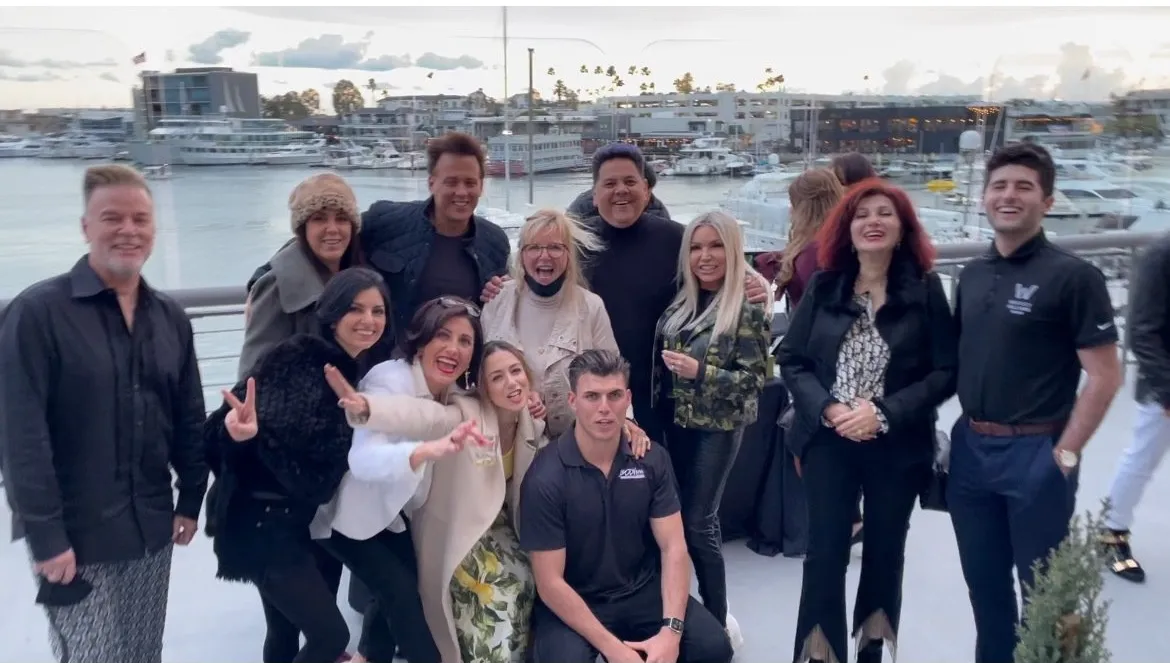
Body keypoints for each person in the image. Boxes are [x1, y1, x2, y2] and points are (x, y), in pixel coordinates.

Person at [0, 164, 208, 663]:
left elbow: (187, 415)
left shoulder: (170, 318)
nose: (128, 230)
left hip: (151, 525)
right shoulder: (37, 314)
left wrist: (190, 497)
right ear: (85, 227)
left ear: (154, 229)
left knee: (143, 651)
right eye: (112, 218)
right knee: (92, 656)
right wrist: (47, 538)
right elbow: (21, 437)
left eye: (140, 219)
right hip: (76, 536)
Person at [949, 143, 1122, 663]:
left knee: (1046, 599)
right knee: (985, 592)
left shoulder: (1074, 278)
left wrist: (1064, 455)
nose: (1009, 196)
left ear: (1047, 201)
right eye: (999, 186)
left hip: (1038, 454)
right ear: (984, 197)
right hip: (971, 452)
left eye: (1024, 186)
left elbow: (1105, 376)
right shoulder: (971, 275)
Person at [777, 178, 957, 663]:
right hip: (828, 440)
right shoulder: (825, 285)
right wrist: (828, 408)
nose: (872, 222)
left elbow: (946, 372)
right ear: (847, 228)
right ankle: (819, 655)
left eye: (884, 214)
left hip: (897, 444)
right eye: (861, 215)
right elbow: (792, 359)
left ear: (902, 229)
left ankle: (873, 651)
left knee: (884, 552)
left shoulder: (926, 289)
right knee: (824, 554)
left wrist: (884, 412)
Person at [205, 267, 391, 663]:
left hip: (299, 523)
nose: (369, 320)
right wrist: (241, 434)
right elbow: (219, 431)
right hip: (260, 523)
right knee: (331, 636)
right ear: (332, 314)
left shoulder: (357, 372)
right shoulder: (297, 357)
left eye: (378, 311)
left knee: (284, 631)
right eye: (356, 309)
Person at [520, 349, 734, 663]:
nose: (604, 408)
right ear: (572, 401)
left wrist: (671, 633)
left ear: (628, 398)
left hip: (641, 591)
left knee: (714, 648)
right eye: (592, 396)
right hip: (577, 598)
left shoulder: (651, 459)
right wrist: (615, 650)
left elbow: (674, 548)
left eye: (614, 395)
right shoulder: (545, 477)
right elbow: (550, 584)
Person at [310, 296, 489, 663]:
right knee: (402, 596)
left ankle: (368, 657)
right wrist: (421, 452)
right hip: (345, 516)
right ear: (420, 341)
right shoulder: (389, 381)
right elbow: (363, 460)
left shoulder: (452, 391)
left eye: (465, 341)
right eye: (443, 335)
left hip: (390, 514)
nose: (453, 349)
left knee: (404, 585)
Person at [652, 211, 770, 635]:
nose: (705, 256)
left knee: (700, 524)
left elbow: (754, 382)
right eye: (697, 247)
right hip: (674, 425)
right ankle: (681, 612)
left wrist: (700, 371)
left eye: (716, 245)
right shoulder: (682, 301)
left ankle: (717, 624)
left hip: (715, 430)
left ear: (733, 250)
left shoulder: (747, 307)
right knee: (675, 521)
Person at [480, 208, 634, 438]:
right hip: (510, 439)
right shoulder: (497, 299)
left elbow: (613, 374)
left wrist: (627, 421)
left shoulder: (591, 306)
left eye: (555, 247)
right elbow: (480, 373)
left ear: (569, 255)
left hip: (575, 440)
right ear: (521, 255)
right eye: (534, 247)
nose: (544, 256)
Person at [239, 173, 365, 375]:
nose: (332, 229)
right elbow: (254, 373)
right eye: (319, 219)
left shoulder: (360, 274)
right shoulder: (277, 287)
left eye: (342, 219)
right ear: (302, 228)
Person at [1101, 231, 1170, 583]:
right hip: (1165, 387)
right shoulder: (1161, 255)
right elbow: (1141, 332)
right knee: (1142, 460)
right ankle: (1111, 535)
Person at [566, 158, 671, 220]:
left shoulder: (658, 215)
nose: (621, 190)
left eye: (630, 182)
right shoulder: (583, 208)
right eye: (611, 184)